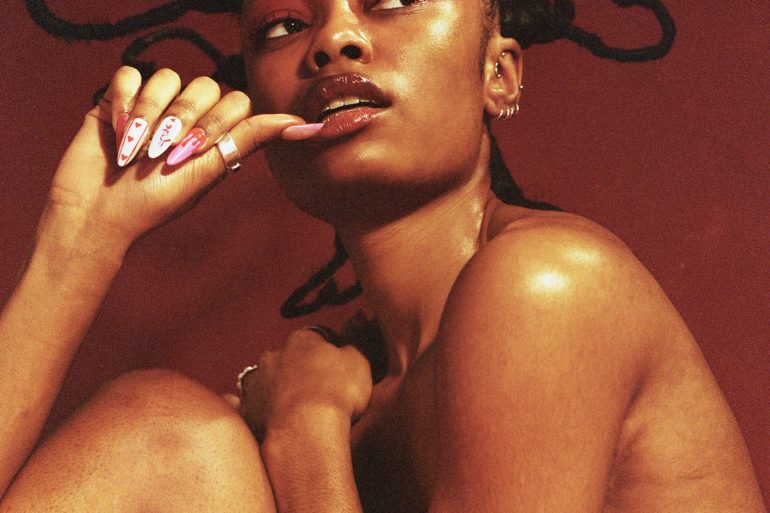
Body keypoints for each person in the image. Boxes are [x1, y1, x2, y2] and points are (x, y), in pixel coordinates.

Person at [0, 0, 765, 511]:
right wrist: (82, 239)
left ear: (498, 73)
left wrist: (305, 429)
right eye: (282, 26)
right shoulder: (336, 389)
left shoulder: (551, 285)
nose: (334, 40)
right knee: (163, 430)